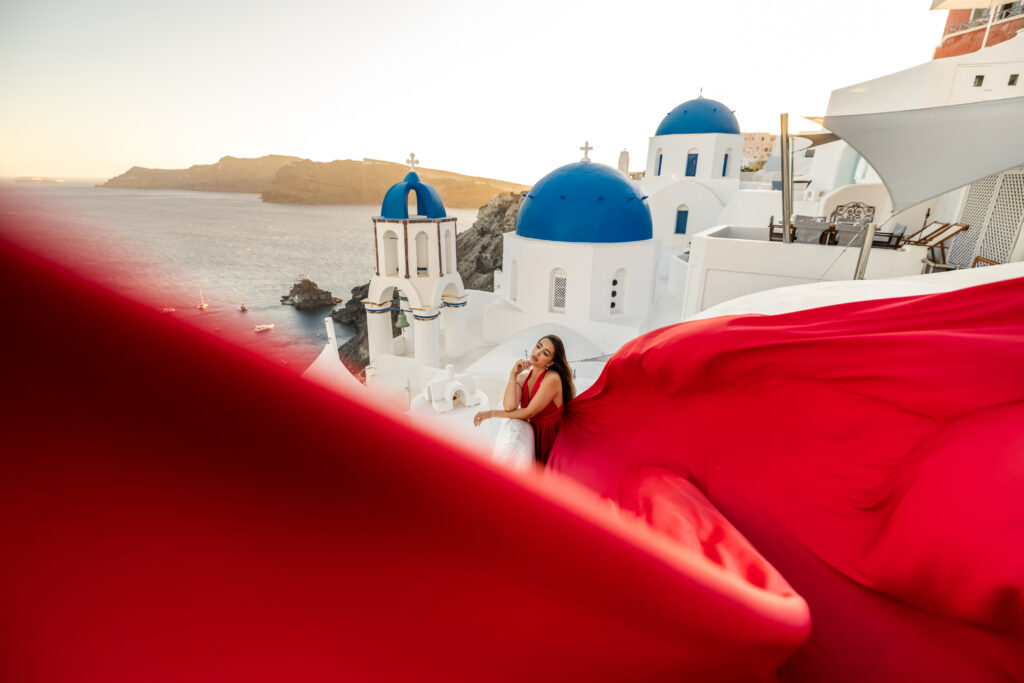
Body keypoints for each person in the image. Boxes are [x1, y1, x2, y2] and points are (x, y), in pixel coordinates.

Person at [473, 335, 575, 466]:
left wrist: (491, 413)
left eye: (545, 353)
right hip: (534, 433)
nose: (537, 352)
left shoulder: (552, 378)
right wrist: (513, 374)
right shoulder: (522, 378)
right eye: (538, 346)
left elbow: (528, 413)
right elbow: (509, 406)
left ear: (550, 362)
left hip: (551, 436)